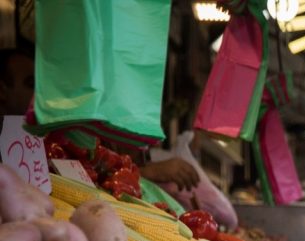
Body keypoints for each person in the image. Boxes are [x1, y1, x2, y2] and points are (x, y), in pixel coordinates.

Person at [0, 47, 199, 191]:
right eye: (31, 84)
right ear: (2, 91)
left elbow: (94, 178)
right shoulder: (48, 138)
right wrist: (152, 173)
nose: (41, 94)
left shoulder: (59, 136)